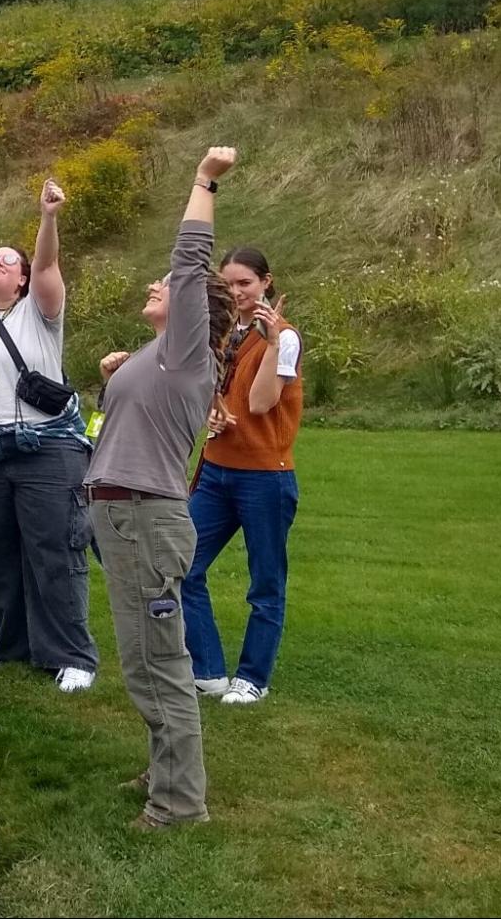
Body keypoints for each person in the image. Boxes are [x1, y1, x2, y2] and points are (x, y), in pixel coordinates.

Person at [86, 146, 240, 831]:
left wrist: (203, 181)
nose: (157, 286)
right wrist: (116, 372)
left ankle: (178, 803)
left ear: (188, 313)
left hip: (142, 522)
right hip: (126, 519)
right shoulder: (159, 355)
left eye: (166, 287)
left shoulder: (184, 349)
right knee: (146, 657)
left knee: (157, 664)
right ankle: (164, 770)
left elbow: (187, 263)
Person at [0, 178, 96, 692]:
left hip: (44, 445)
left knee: (53, 549)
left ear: (24, 278)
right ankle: (11, 646)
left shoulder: (40, 309)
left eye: (7, 261)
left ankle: (71, 656)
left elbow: (49, 264)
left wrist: (47, 218)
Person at [181, 247, 304, 707]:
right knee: (183, 565)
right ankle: (208, 669)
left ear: (266, 283)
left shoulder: (283, 338)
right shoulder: (227, 335)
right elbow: (223, 398)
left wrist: (271, 343)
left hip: (264, 477)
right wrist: (213, 417)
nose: (236, 293)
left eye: (245, 284)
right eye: (229, 285)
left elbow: (261, 402)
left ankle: (253, 677)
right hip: (217, 471)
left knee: (265, 582)